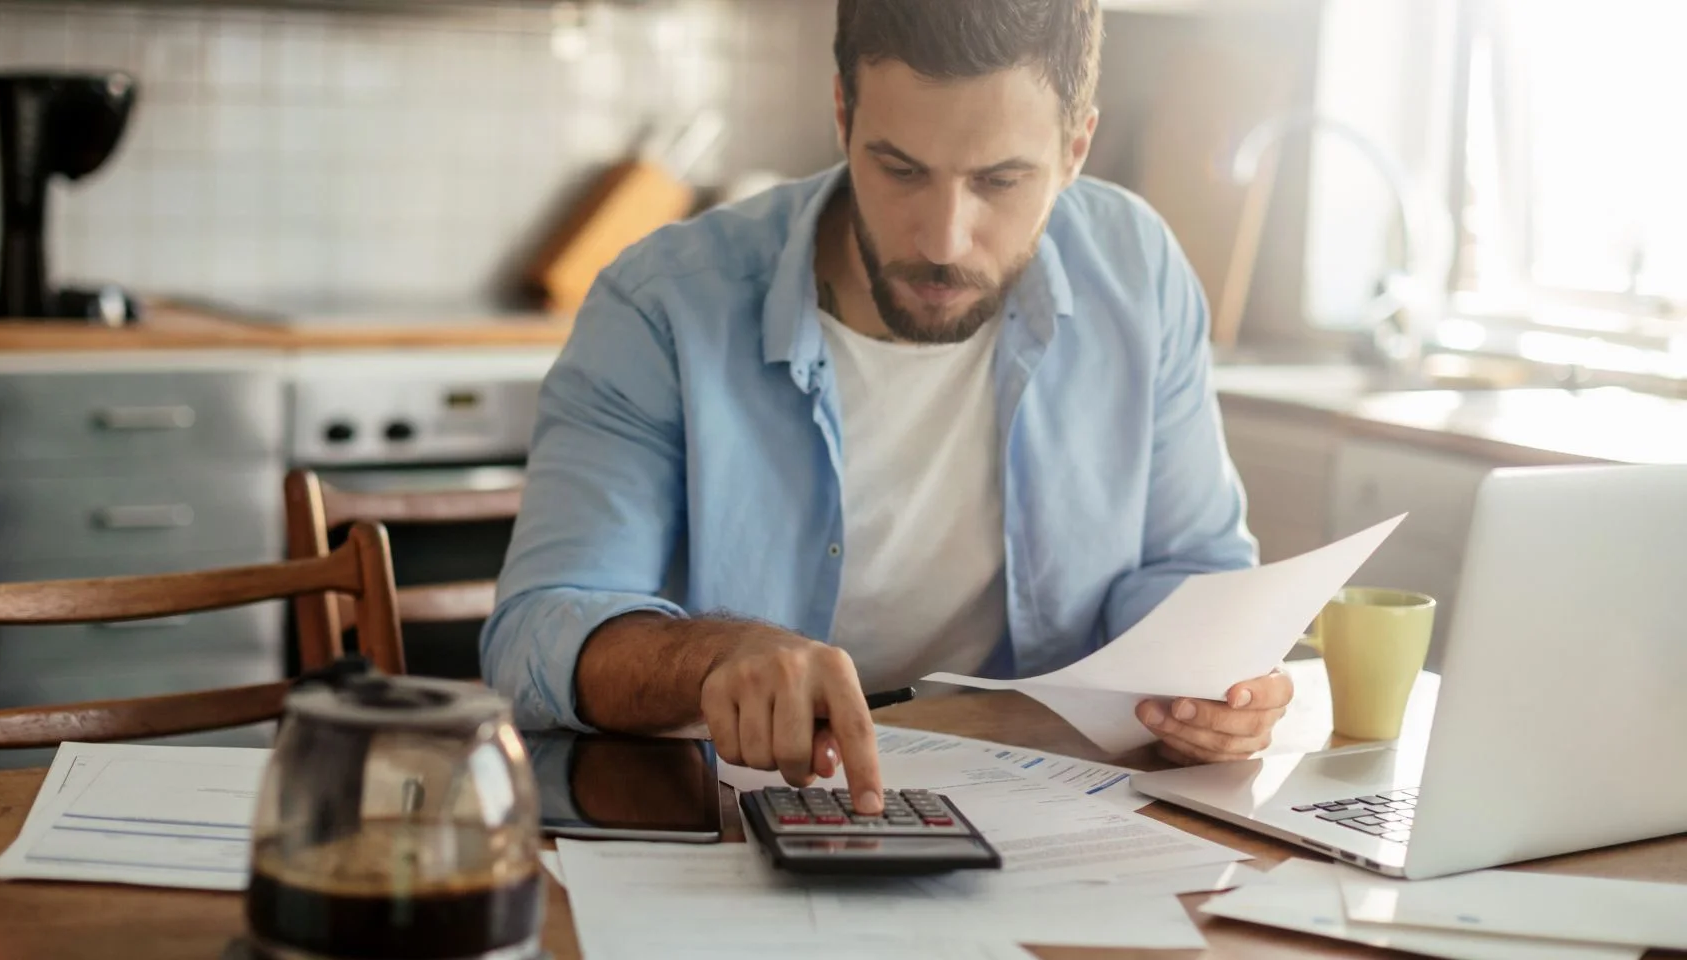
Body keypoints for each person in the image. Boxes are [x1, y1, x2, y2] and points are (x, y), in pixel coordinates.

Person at [482, 0, 1292, 816]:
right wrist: (713, 657)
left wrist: (1216, 682)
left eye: (1000, 181)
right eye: (901, 170)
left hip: (1043, 805)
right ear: (842, 113)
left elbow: (1189, 564)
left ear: (1076, 146)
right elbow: (537, 634)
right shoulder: (663, 305)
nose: (943, 239)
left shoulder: (1137, 271)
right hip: (724, 813)